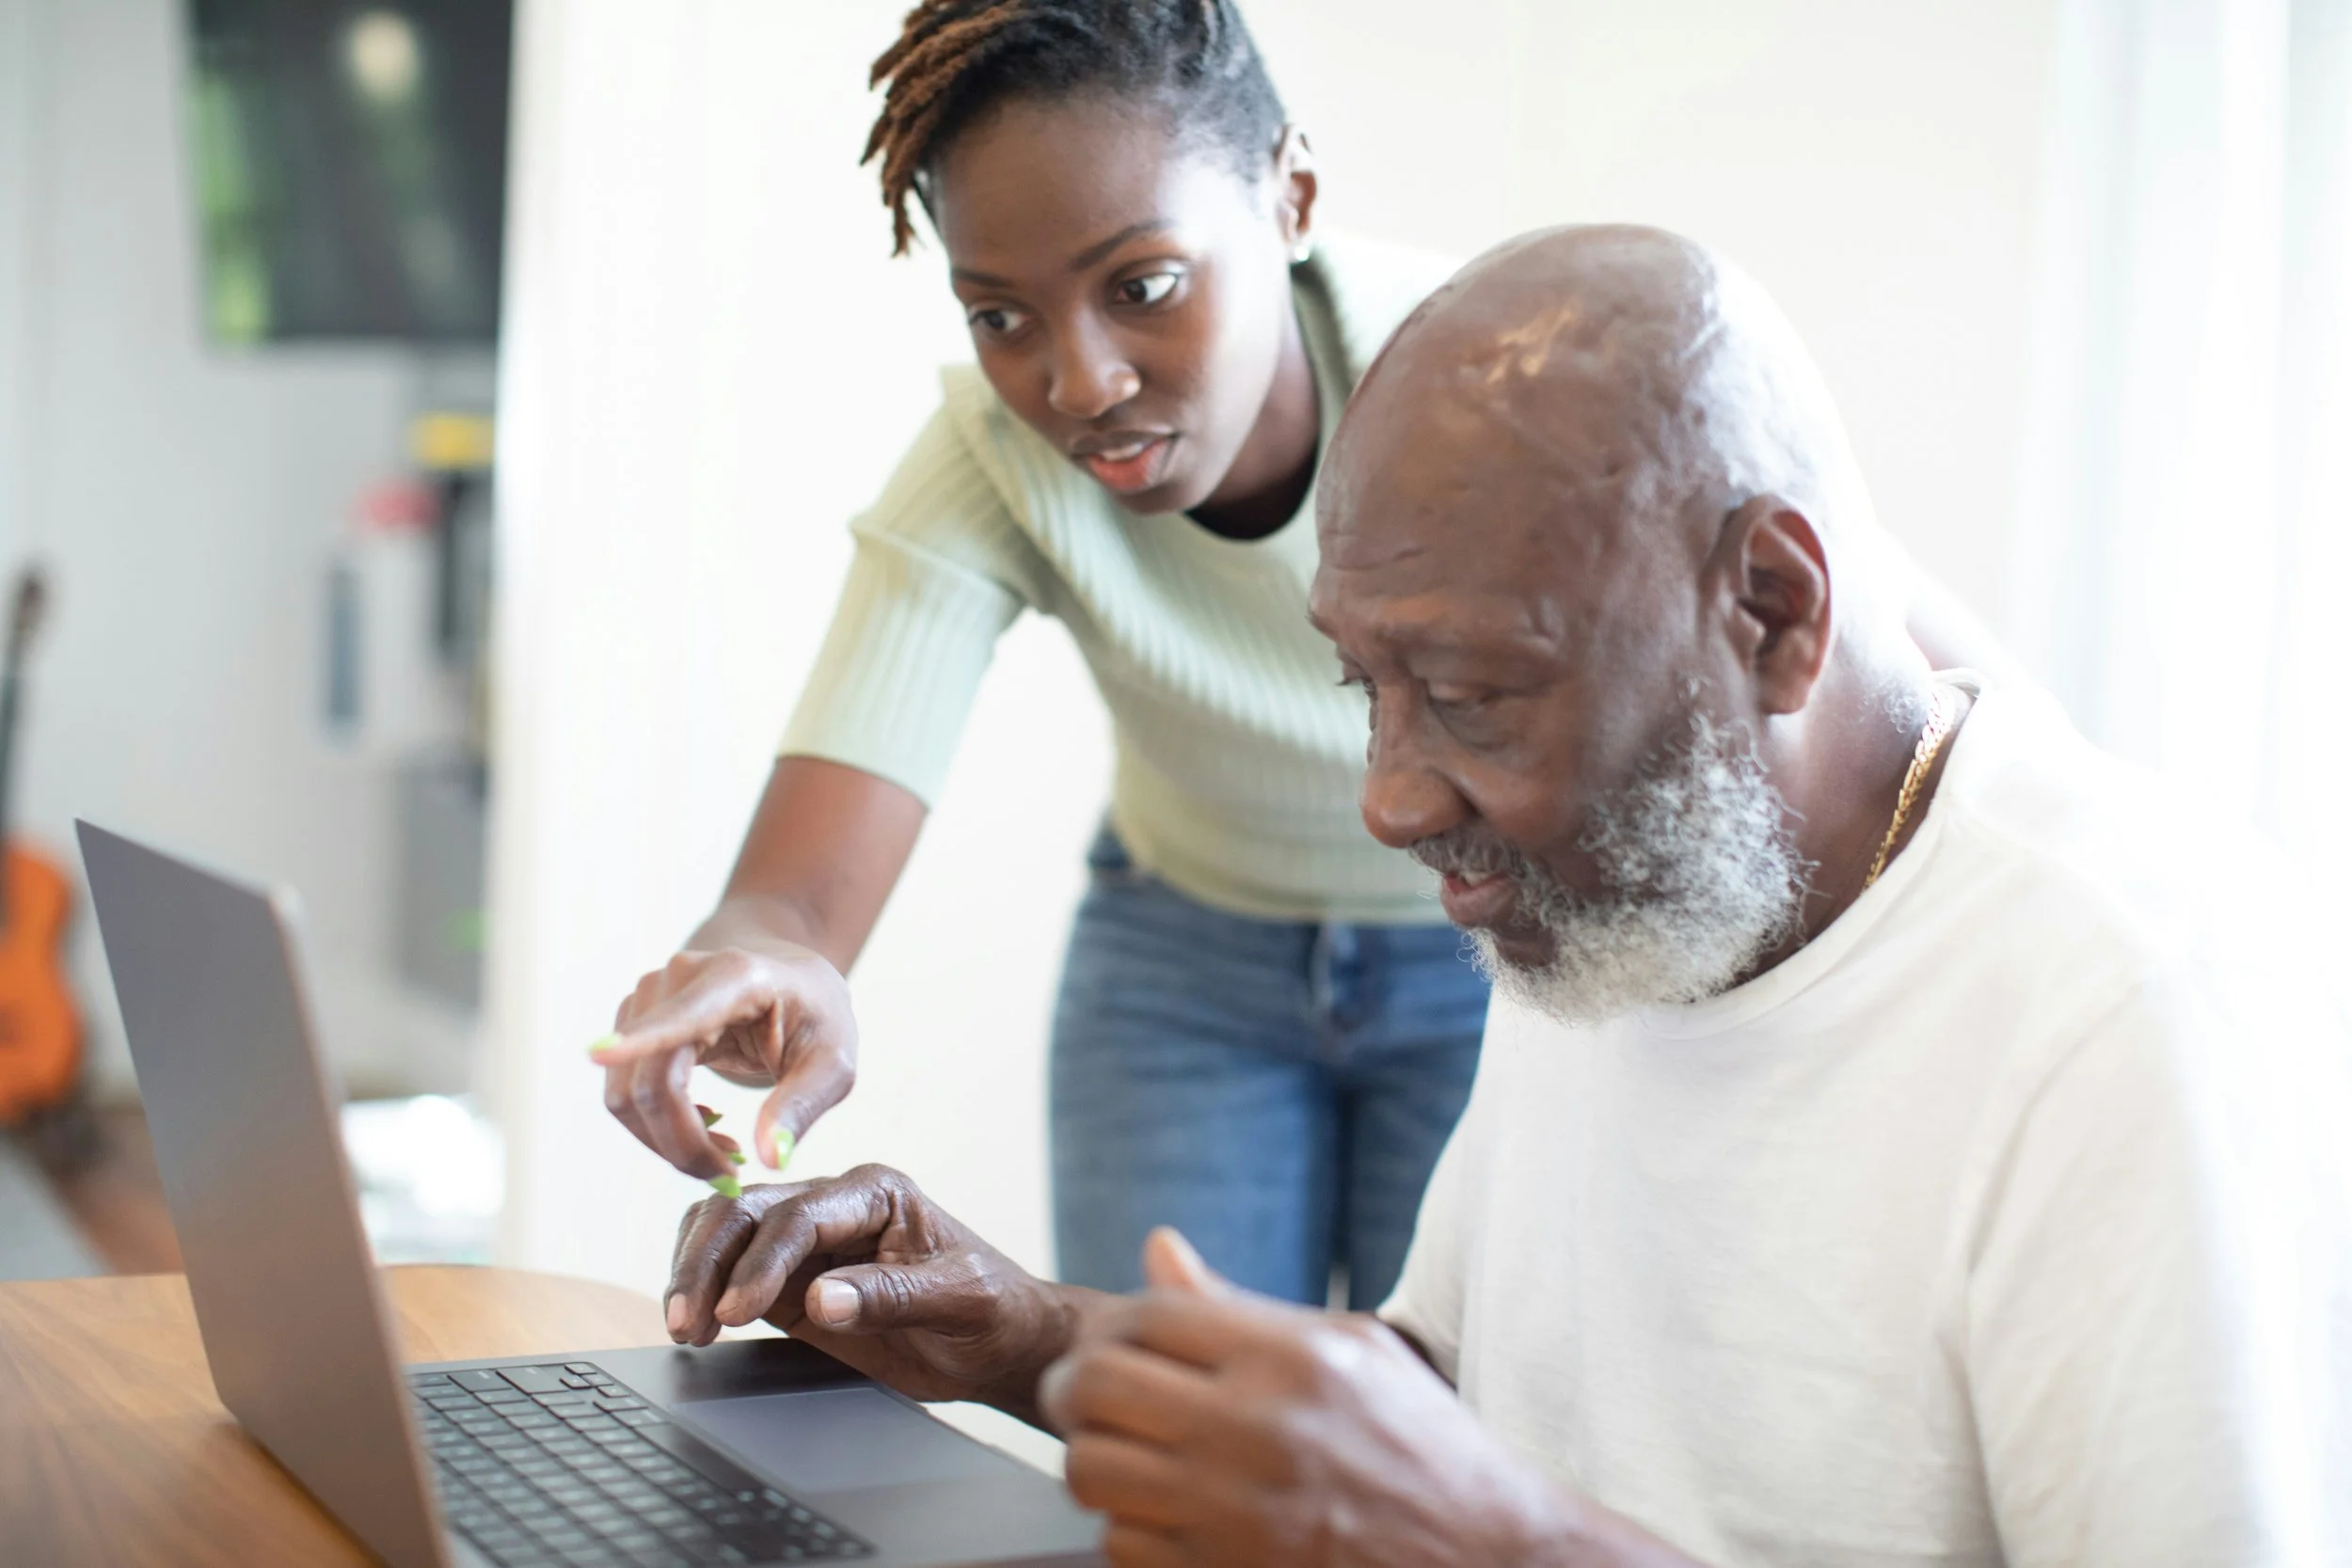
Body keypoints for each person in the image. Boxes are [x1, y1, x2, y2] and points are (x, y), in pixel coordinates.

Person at [656, 226, 2352, 1566]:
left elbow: (1483, 1504)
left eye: (1471, 695)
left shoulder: (2129, 1015)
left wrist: (1505, 1544)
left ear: (1771, 609)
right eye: (1363, 689)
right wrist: (1019, 1334)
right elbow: (1458, 1392)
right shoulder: (1626, 898)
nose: (1391, 797)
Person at [587, 0, 2010, 1308]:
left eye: (1140, 284)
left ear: (1291, 196)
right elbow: (790, 906)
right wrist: (759, 967)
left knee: (1467, 1433)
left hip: (1493, 954)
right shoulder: (985, 467)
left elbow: (1914, 664)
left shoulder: (1485, 378)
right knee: (1174, 1441)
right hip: (1185, 962)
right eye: (1001, 316)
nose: (1077, 381)